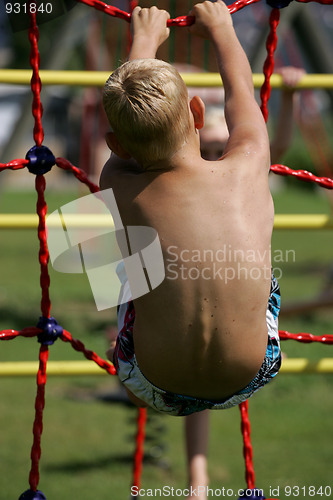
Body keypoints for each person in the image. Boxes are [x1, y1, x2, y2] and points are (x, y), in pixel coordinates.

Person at [101, 2, 281, 497]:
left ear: (114, 141)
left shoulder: (114, 181)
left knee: (115, 254)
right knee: (253, 246)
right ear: (198, 113)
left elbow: (122, 148)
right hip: (252, 373)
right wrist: (222, 28)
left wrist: (143, 41)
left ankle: (118, 336)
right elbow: (241, 90)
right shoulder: (248, 163)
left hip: (149, 383)